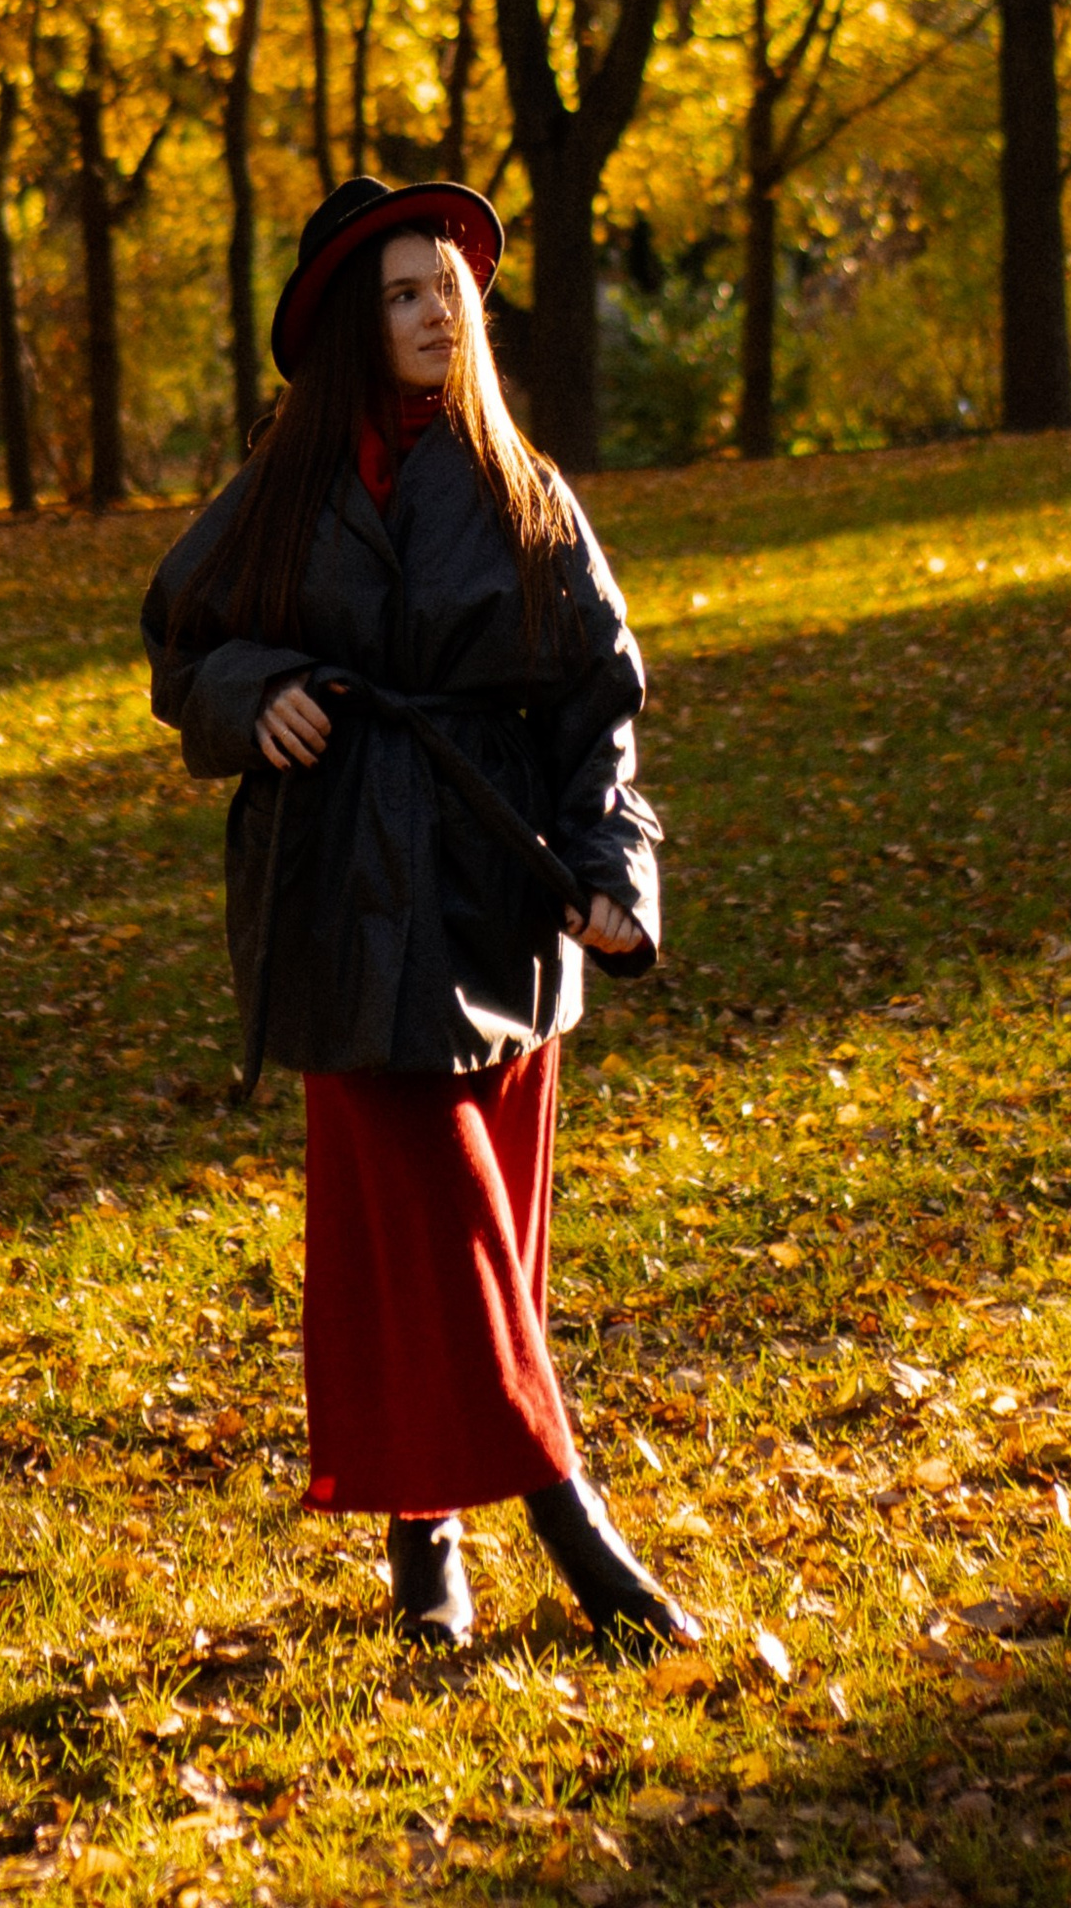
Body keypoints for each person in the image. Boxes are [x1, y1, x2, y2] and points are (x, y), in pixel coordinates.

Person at [143, 173, 697, 1659]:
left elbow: (602, 702)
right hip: (338, 899)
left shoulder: (524, 488)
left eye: (448, 284)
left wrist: (613, 876)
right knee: (435, 1229)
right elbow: (183, 647)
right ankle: (574, 1526)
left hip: (495, 890)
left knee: (475, 1246)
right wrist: (254, 700)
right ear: (347, 327)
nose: (436, 310)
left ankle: (422, 1547)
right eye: (402, 291)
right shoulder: (283, 488)